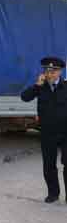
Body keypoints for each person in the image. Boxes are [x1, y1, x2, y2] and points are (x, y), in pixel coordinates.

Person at [21, 56, 67, 203]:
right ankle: (53, 194)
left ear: (60, 72)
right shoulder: (40, 87)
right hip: (48, 133)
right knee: (49, 165)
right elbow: (24, 97)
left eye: (54, 71)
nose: (50, 74)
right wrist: (37, 85)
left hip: (66, 133)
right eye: (47, 70)